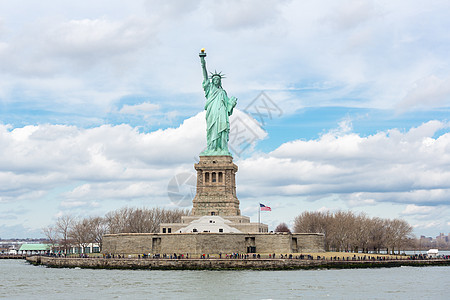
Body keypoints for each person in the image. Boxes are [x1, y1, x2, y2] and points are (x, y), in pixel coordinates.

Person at [199, 51, 237, 156]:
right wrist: (203, 62)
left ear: (220, 81)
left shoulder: (223, 92)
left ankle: (221, 148)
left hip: (221, 114)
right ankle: (211, 148)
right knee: (212, 130)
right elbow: (205, 76)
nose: (216, 80)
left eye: (218, 79)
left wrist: (232, 104)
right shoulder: (209, 88)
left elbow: (228, 106)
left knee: (222, 130)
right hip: (212, 112)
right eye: (214, 79)